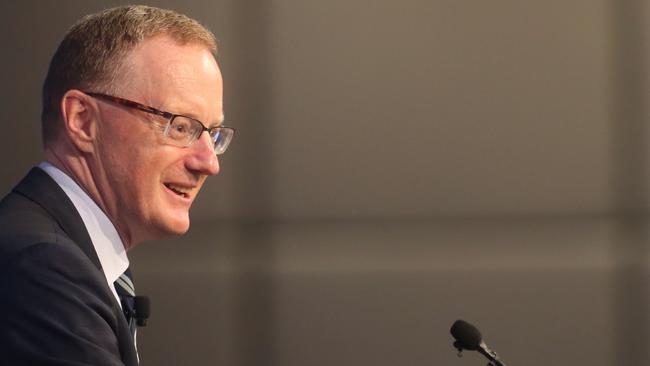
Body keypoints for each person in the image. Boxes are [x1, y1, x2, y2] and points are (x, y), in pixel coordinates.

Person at [0, 5, 233, 365]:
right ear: (82, 121)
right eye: (181, 127)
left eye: (212, 133)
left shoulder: (65, 253)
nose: (208, 163)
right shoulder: (42, 265)